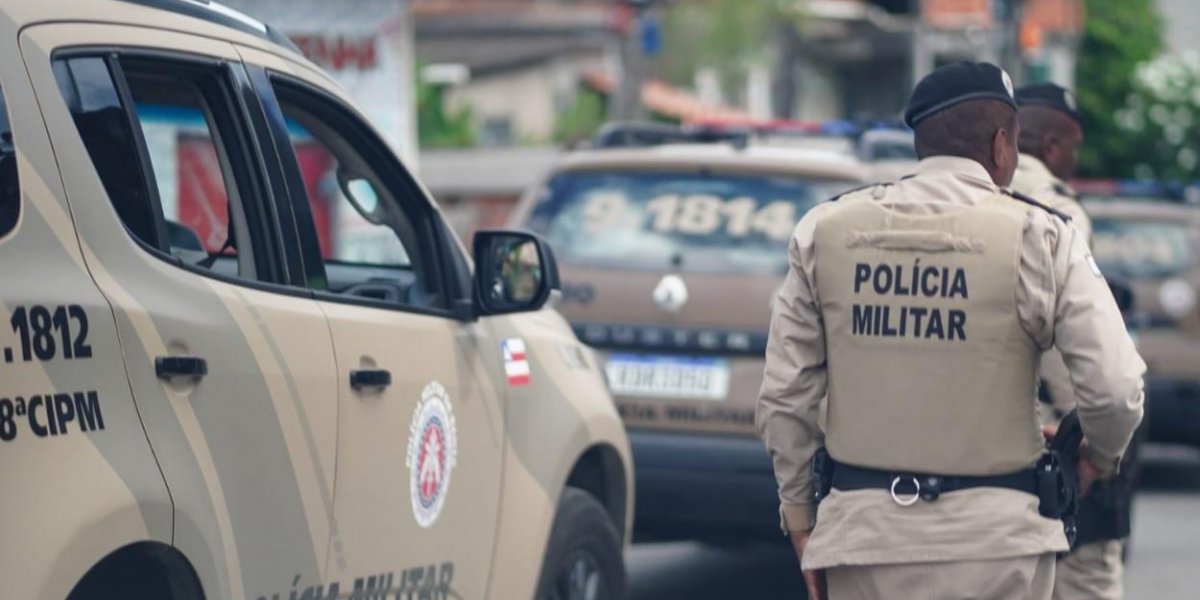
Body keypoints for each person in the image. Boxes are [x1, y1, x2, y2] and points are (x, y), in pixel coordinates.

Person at [756, 61, 1145, 600]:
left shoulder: (825, 232)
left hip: (865, 539)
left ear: (921, 143)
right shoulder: (1041, 235)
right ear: (1003, 143)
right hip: (999, 545)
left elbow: (785, 398)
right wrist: (1096, 461)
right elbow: (1117, 390)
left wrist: (800, 516)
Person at [1012, 82, 1142, 600]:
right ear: (1050, 147)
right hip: (1051, 434)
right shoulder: (1058, 213)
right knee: (1086, 574)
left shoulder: (945, 201)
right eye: (1073, 148)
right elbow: (1083, 355)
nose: (1074, 159)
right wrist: (1093, 446)